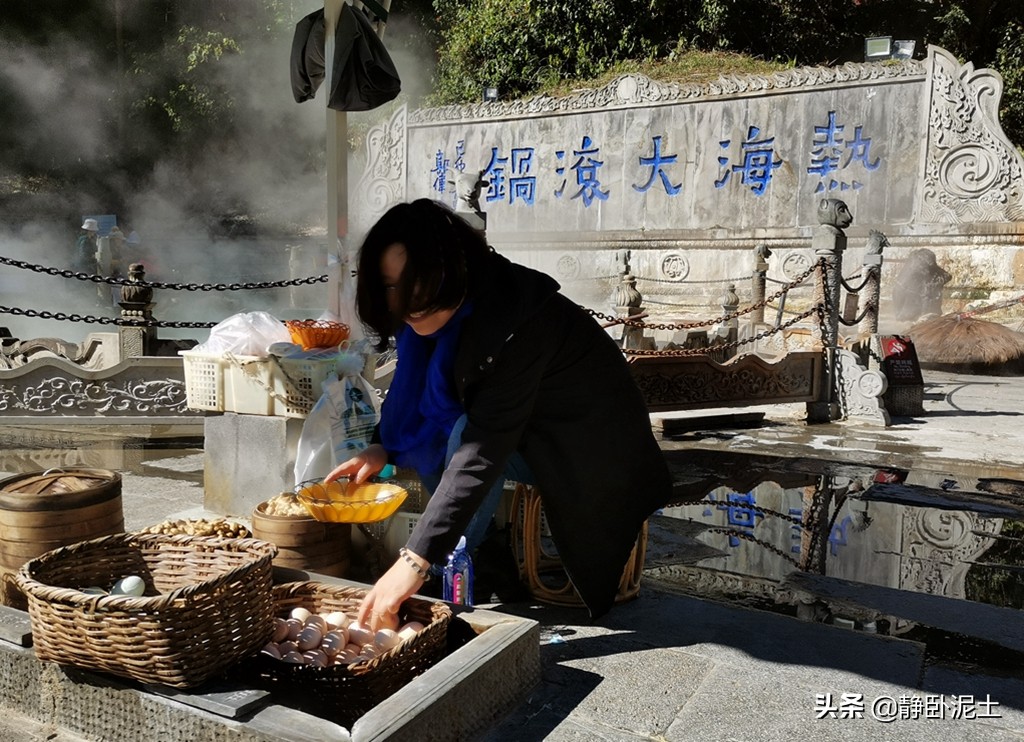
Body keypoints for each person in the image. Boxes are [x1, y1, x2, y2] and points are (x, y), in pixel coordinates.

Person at [325, 199, 672, 630]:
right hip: (529, 432)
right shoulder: (442, 314)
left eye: (420, 282)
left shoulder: (517, 320)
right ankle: (478, 558)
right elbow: (411, 396)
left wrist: (413, 562)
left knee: (460, 437)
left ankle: (450, 564)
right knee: (444, 429)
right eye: (392, 286)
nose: (408, 302)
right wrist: (380, 446)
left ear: (456, 267)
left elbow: (483, 447)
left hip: (590, 452)